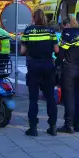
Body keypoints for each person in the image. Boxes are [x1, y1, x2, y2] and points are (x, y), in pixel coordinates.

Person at [21, 9, 59, 137]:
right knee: (50, 97)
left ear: (33, 18)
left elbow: (22, 50)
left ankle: (33, 128)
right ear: (44, 18)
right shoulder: (51, 31)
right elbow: (56, 49)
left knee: (33, 98)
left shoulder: (28, 31)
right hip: (48, 65)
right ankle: (52, 127)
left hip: (34, 65)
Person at [56, 16, 79, 133]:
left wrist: (57, 64)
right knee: (78, 97)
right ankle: (78, 124)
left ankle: (68, 125)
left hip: (70, 68)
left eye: (63, 26)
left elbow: (61, 54)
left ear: (67, 25)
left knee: (69, 97)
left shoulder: (66, 34)